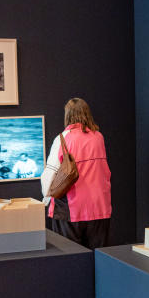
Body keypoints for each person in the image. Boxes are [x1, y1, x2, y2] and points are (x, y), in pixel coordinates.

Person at [41, 97, 112, 249]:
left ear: (67, 115)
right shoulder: (99, 137)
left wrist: (46, 197)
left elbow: (50, 175)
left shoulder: (63, 139)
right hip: (100, 208)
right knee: (98, 256)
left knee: (70, 258)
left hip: (71, 210)